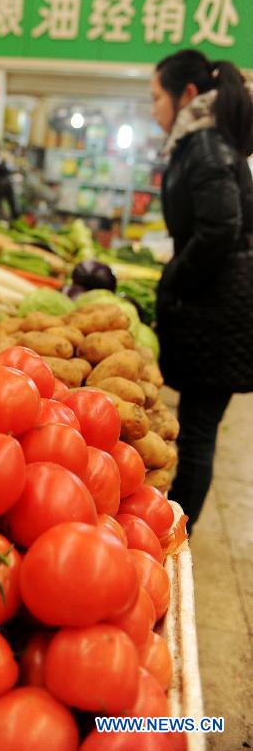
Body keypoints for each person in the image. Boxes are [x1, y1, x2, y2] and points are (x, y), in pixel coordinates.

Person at [151, 49, 253, 531]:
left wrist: (173, 278)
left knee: (196, 434)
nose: (154, 108)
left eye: (156, 97)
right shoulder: (205, 142)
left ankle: (177, 532)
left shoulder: (207, 145)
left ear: (186, 95)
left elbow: (219, 228)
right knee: (196, 429)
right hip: (219, 309)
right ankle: (177, 525)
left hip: (220, 313)